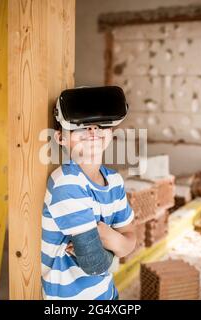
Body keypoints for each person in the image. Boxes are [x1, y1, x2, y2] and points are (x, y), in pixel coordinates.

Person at [41, 86, 136, 300]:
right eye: (81, 126)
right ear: (61, 138)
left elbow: (132, 240)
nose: (92, 131)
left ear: (110, 133)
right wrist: (118, 246)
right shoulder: (66, 182)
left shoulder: (114, 182)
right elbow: (94, 263)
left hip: (108, 295)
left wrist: (107, 236)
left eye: (99, 125)